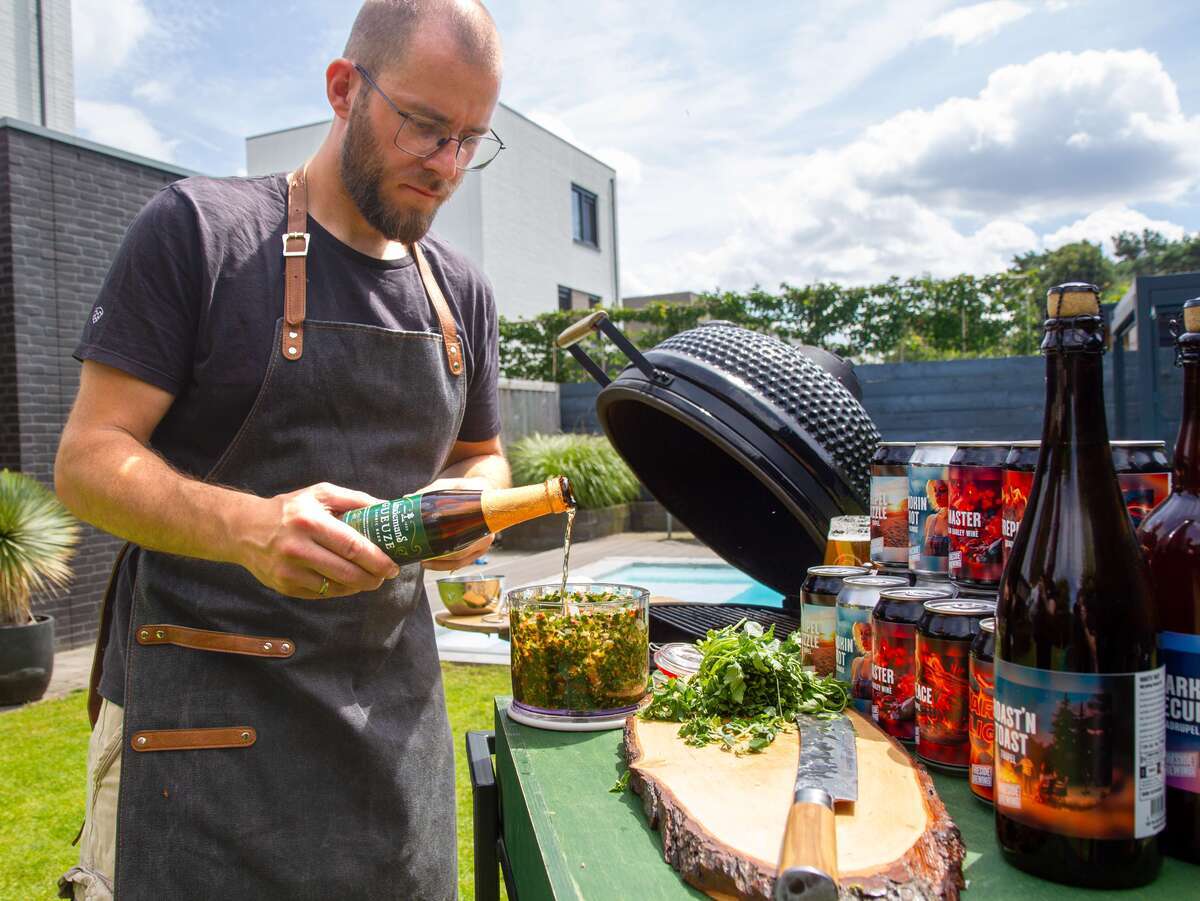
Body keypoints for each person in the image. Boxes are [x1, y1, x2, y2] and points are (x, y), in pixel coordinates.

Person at [54, 2, 506, 898]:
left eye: (470, 140)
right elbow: (88, 456)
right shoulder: (200, 234)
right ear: (344, 89)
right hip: (207, 736)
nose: (446, 165)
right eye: (423, 125)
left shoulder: (459, 293)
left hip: (390, 731)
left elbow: (482, 456)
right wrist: (249, 527)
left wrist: (468, 508)